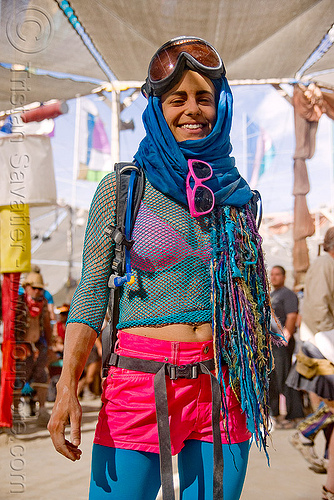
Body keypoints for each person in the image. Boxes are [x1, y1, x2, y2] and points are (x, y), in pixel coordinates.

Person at [48, 36, 279, 500]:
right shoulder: (123, 188)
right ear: (157, 107)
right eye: (177, 99)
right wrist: (66, 388)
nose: (192, 110)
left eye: (203, 98)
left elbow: (250, 300)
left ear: (222, 105)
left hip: (223, 383)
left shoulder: (236, 195)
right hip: (139, 383)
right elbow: (91, 292)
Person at [286, 227, 334, 500]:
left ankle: (313, 439)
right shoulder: (325, 264)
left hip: (321, 342)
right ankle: (305, 432)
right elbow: (319, 307)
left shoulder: (325, 264)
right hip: (322, 346)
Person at [14, 271, 52, 424]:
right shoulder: (18, 303)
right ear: (27, 287)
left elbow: (47, 326)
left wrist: (49, 346)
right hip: (21, 347)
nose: (37, 291)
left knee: (42, 378)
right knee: (18, 379)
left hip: (39, 345)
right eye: (34, 288)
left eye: (40, 288)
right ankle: (15, 413)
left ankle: (42, 411)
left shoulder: (42, 304)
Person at [269, 265, 304, 428]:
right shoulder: (272, 294)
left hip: (281, 343)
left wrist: (286, 336)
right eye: (272, 274)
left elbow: (291, 316)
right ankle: (275, 413)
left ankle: (295, 414)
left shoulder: (288, 294)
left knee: (285, 378)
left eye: (277, 275)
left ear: (283, 277)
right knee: (273, 378)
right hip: (271, 344)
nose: (274, 277)